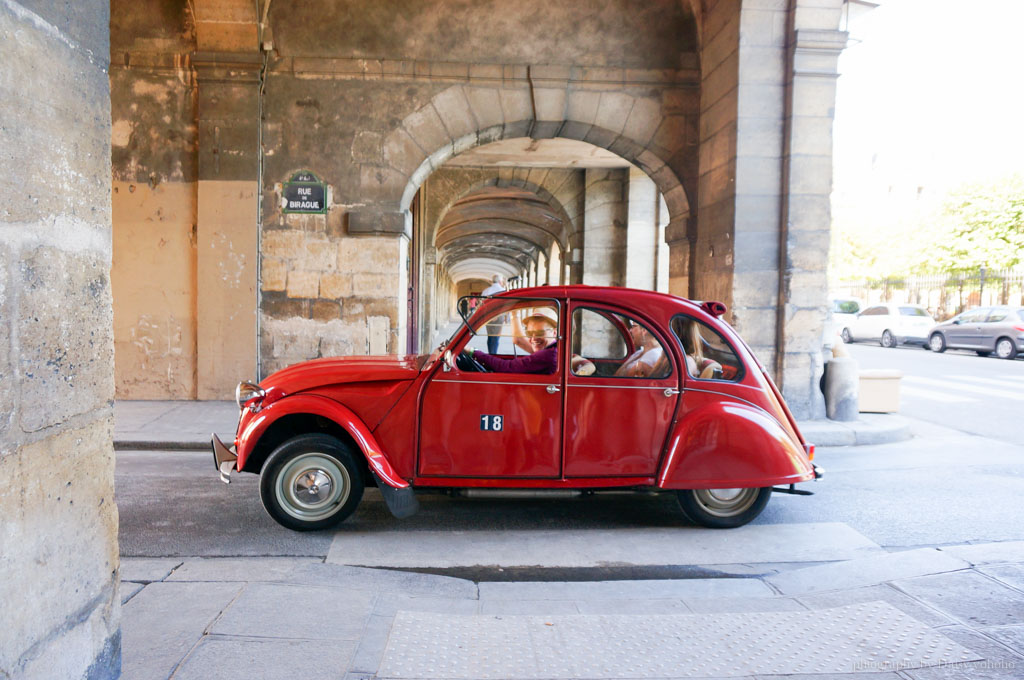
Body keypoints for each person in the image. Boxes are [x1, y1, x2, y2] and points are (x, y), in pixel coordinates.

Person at [466, 309, 558, 374]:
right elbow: (518, 340)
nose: (533, 338)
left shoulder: (548, 355)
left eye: (539, 332)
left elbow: (506, 367)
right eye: (529, 333)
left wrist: (472, 351)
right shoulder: (553, 349)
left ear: (554, 332)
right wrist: (514, 312)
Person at [481, 275, 506, 354]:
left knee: (490, 336)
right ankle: (493, 354)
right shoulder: (504, 291)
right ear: (500, 281)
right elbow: (506, 305)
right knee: (496, 336)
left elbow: (482, 304)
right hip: (499, 315)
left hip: (488, 315)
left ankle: (491, 353)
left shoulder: (486, 291)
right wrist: (506, 317)